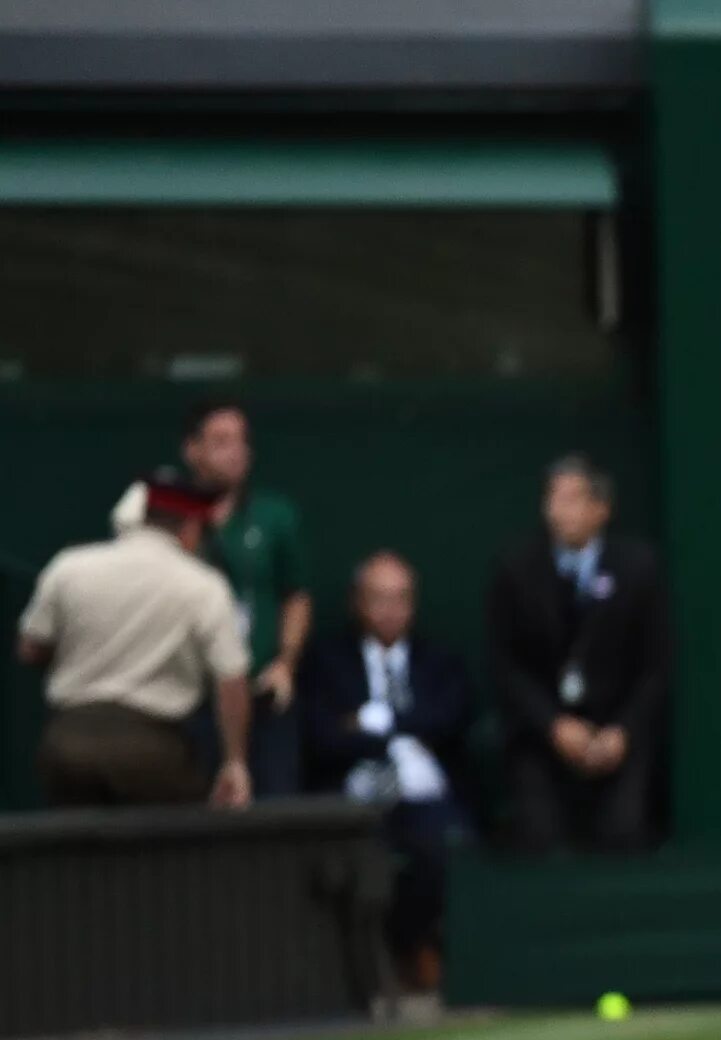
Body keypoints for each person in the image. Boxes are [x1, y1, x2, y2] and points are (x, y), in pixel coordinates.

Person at [16, 468, 251, 808]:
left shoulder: (69, 567)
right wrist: (235, 763)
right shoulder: (204, 586)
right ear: (190, 528)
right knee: (167, 857)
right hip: (153, 749)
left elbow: (30, 649)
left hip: (67, 742)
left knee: (70, 856)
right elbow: (231, 680)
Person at [298, 551, 474, 993]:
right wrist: (398, 730)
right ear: (358, 603)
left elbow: (450, 720)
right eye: (379, 599)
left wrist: (373, 720)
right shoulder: (327, 661)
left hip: (423, 798)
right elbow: (322, 736)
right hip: (355, 797)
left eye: (400, 599)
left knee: (443, 846)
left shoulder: (439, 661)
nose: (390, 610)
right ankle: (360, 968)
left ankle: (415, 949)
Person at [487, 455, 670, 850]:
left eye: (572, 499)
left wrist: (622, 732)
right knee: (538, 836)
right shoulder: (516, 568)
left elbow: (656, 667)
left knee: (624, 833)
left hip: (616, 734)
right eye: (553, 498)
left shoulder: (639, 568)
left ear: (601, 509)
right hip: (543, 736)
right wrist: (554, 726)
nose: (558, 511)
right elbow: (505, 665)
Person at [185, 400, 313, 801]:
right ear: (193, 450)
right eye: (221, 441)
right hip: (192, 696)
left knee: (275, 807)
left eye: (242, 441)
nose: (236, 451)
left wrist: (286, 662)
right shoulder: (168, 516)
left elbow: (295, 595)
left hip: (261, 692)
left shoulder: (275, 515)